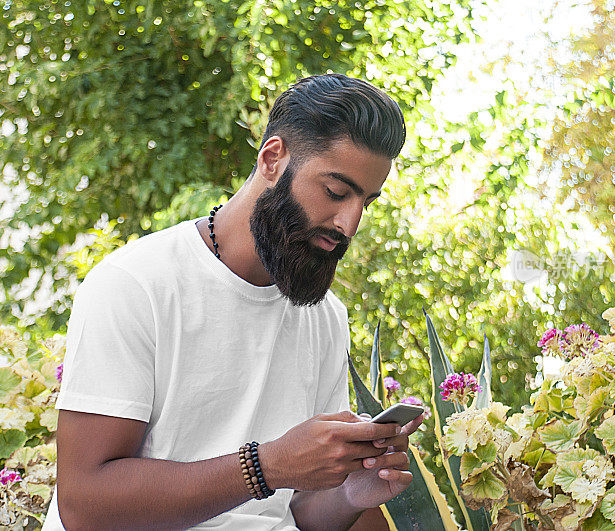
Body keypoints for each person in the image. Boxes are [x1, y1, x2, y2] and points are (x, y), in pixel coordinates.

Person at [43, 73, 424, 530]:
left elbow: (302, 511)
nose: (348, 223)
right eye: (336, 192)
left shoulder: (325, 317)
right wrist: (265, 467)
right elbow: (86, 504)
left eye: (367, 201)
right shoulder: (136, 285)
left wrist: (349, 497)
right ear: (272, 159)